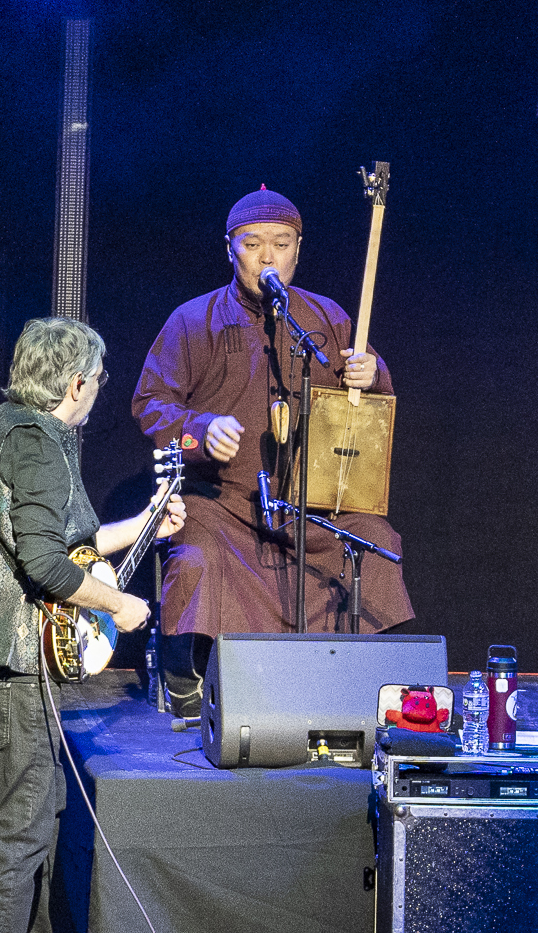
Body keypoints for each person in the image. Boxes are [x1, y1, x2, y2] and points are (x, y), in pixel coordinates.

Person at [0, 317, 185, 933]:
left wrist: (144, 526)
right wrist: (121, 604)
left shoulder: (10, 429)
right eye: (98, 380)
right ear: (76, 383)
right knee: (26, 816)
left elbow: (66, 542)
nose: (100, 392)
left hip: (2, 654)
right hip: (5, 658)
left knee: (43, 808)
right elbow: (44, 567)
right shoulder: (34, 442)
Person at [132, 186, 413, 716]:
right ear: (230, 249)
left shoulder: (326, 320)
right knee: (199, 556)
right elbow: (149, 403)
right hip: (224, 502)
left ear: (298, 249)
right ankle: (185, 675)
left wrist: (373, 376)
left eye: (281, 243)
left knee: (373, 540)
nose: (267, 257)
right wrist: (199, 429)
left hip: (309, 503)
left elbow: (373, 404)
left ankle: (370, 690)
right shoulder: (194, 320)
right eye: (252, 243)